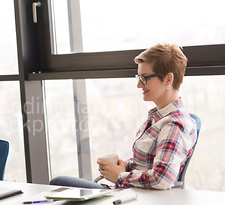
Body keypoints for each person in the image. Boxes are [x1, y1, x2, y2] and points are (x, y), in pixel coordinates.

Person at [50, 43, 198, 190]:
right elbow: (147, 164)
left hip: (138, 198)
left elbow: (162, 179)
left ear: (168, 79)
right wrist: (123, 166)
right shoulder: (159, 118)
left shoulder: (174, 124)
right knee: (60, 184)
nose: (139, 85)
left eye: (145, 78)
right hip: (131, 192)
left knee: (58, 183)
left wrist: (119, 176)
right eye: (138, 77)